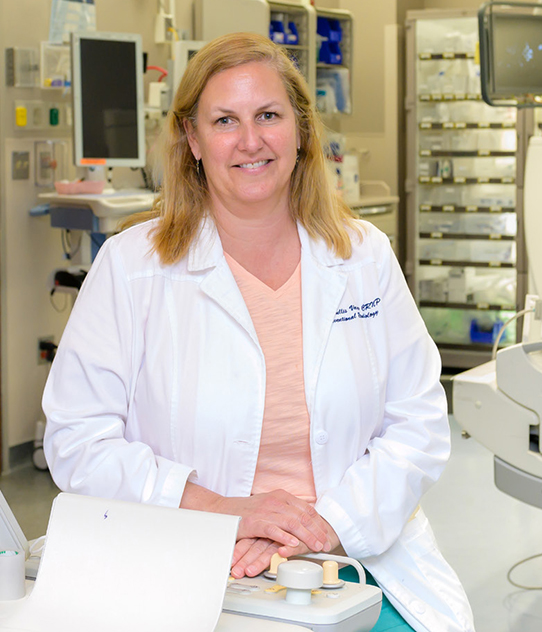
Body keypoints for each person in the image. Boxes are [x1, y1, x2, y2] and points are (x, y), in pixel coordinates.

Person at [42, 32, 474, 632]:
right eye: (225, 120)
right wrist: (225, 513)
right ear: (192, 138)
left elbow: (419, 423)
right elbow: (78, 439)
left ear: (299, 130)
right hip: (187, 557)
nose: (250, 141)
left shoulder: (363, 256)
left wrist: (322, 528)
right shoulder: (131, 267)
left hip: (350, 555)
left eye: (268, 115)